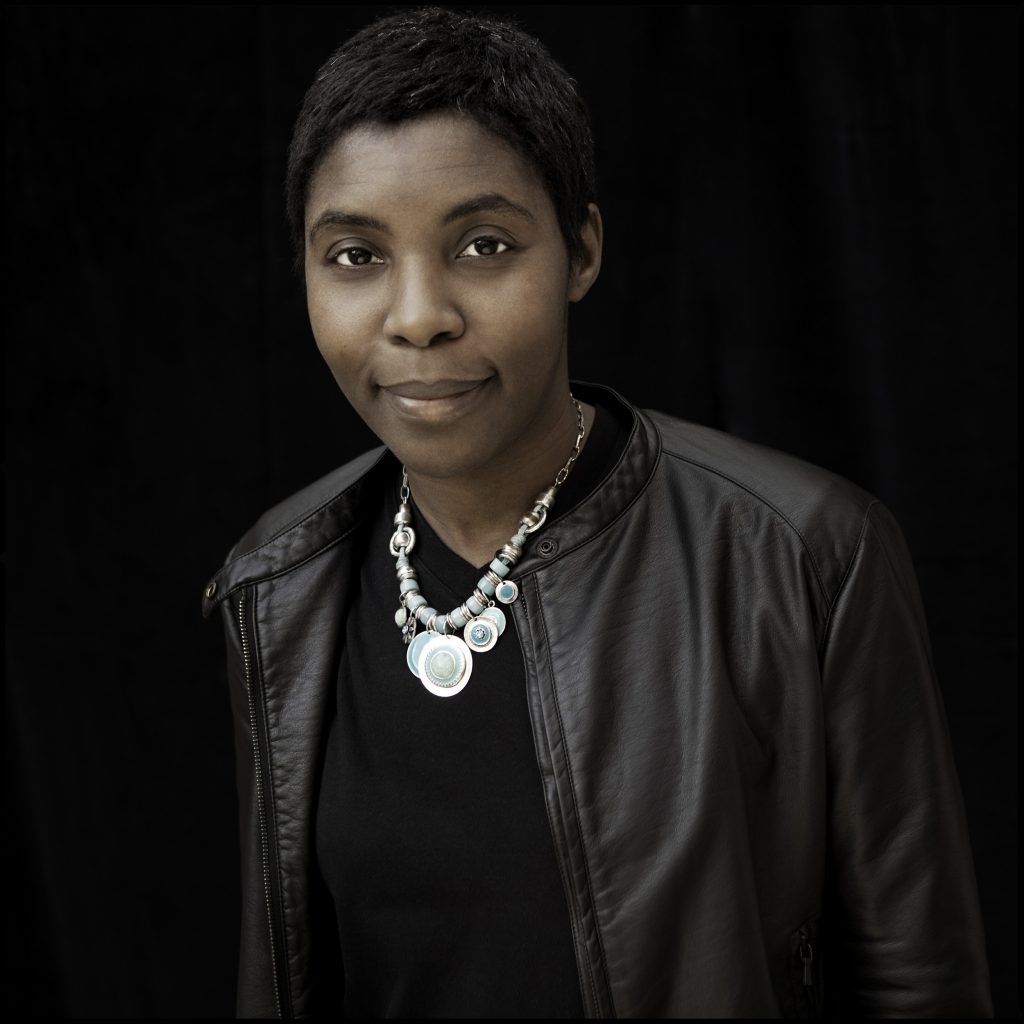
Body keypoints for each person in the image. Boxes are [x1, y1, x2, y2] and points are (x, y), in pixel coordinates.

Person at [202, 7, 993, 1018]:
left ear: (579, 252)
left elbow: (918, 983)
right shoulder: (277, 584)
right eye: (354, 255)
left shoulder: (802, 556)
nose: (416, 316)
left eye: (483, 245)